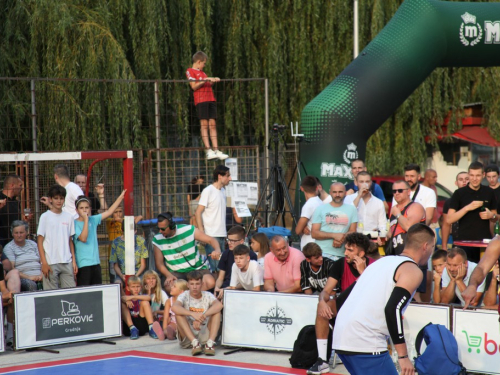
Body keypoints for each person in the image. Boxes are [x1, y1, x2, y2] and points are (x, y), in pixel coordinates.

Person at [332, 224, 436, 375]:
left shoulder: (379, 263)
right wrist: (403, 356)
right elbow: (393, 308)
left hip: (342, 339)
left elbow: (341, 300)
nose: (432, 252)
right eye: (433, 247)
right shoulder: (412, 270)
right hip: (365, 342)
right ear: (425, 246)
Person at [308, 232, 373, 374]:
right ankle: (322, 360)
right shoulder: (340, 264)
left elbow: (375, 295)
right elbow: (326, 291)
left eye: (350, 250)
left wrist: (364, 273)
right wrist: (321, 302)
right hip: (346, 310)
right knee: (323, 310)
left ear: (361, 253)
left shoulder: (374, 266)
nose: (345, 253)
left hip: (368, 313)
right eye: (345, 249)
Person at [152, 212, 218, 293]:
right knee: (169, 286)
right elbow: (159, 264)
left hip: (197, 269)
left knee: (210, 282)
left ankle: (193, 298)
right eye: (158, 228)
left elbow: (211, 240)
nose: (160, 231)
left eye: (163, 229)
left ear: (171, 226)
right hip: (176, 272)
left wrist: (217, 250)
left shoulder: (188, 230)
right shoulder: (157, 239)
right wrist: (168, 275)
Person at [447, 161, 497, 263]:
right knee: (465, 274)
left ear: (483, 175)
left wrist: (491, 215)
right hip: (464, 242)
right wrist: (467, 208)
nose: (474, 179)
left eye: (478, 175)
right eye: (472, 175)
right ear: (468, 175)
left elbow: (496, 218)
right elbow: (449, 219)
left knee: (483, 274)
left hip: (484, 242)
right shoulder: (459, 193)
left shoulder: (489, 192)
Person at [73, 190, 125, 286]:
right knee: (85, 291)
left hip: (96, 263)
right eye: (81, 208)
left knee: (97, 290)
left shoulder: (93, 219)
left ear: (90, 208)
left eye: (86, 208)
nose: (84, 210)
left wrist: (121, 197)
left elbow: (109, 212)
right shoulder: (74, 223)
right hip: (83, 265)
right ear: (76, 210)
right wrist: (85, 220)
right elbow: (83, 238)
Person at [388, 180, 427, 302]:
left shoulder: (415, 207)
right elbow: (392, 231)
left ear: (409, 191)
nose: (397, 193)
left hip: (414, 256)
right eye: (394, 191)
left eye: (400, 190)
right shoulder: (395, 210)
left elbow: (409, 227)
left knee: (414, 294)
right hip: (397, 254)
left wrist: (398, 214)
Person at [186, 51, 228, 161]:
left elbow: (206, 83)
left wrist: (212, 80)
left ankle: (216, 149)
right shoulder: (190, 71)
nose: (204, 65)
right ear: (198, 62)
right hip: (201, 100)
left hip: (210, 99)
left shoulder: (203, 73)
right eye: (204, 63)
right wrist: (205, 79)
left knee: (213, 124)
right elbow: (194, 86)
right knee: (204, 124)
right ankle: (208, 150)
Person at [172, 270, 223, 356]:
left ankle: (210, 344)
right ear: (188, 285)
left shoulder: (207, 295)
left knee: (217, 313)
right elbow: (174, 307)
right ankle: (195, 343)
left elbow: (219, 305)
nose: (194, 287)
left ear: (202, 284)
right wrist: (192, 314)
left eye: (197, 284)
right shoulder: (184, 295)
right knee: (178, 314)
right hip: (188, 334)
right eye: (192, 284)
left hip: (204, 331)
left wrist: (202, 316)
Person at [37, 185, 77, 290]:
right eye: (56, 198)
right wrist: (44, 262)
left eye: (61, 198)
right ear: (50, 199)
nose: (59, 201)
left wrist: (73, 261)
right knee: (51, 296)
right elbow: (40, 241)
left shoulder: (69, 217)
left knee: (70, 293)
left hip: (66, 261)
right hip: (50, 262)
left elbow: (70, 241)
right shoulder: (45, 217)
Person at [195, 165, 232, 272]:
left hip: (221, 234)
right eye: (228, 176)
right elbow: (198, 211)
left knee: (222, 268)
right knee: (216, 268)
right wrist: (202, 232)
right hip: (211, 235)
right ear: (220, 176)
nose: (230, 178)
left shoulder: (223, 191)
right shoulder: (208, 191)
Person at [311, 182, 357, 261]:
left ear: (345, 193)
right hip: (321, 254)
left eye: (340, 192)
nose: (337, 195)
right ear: (330, 193)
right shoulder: (320, 209)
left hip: (343, 254)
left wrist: (341, 238)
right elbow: (314, 233)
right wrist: (334, 235)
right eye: (334, 192)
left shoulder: (352, 209)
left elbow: (353, 231)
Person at [214, 225, 257, 300]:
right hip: (226, 286)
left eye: (233, 241)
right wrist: (216, 287)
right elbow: (220, 277)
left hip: (241, 288)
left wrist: (229, 289)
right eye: (228, 240)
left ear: (241, 241)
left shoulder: (251, 256)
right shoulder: (225, 254)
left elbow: (249, 282)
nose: (229, 243)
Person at [344, 171, 387, 245]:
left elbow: (382, 224)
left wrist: (381, 234)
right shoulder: (349, 199)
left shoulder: (378, 202)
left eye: (367, 181)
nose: (365, 184)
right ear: (356, 183)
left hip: (372, 240)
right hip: (354, 240)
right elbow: (348, 215)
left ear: (371, 183)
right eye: (361, 181)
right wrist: (359, 196)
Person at [3, 220, 42, 292]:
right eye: (16, 233)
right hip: (23, 278)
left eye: (21, 232)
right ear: (12, 233)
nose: (19, 235)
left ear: (26, 232)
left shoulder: (33, 244)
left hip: (40, 275)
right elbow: (12, 269)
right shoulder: (9, 247)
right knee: (31, 285)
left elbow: (41, 261)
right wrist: (29, 277)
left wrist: (42, 275)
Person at [121, 275, 162, 340]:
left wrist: (132, 297)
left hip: (142, 326)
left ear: (141, 287)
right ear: (128, 288)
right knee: (122, 304)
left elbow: (148, 297)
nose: (136, 289)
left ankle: (151, 328)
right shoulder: (126, 297)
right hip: (129, 328)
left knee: (145, 302)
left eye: (138, 286)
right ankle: (133, 329)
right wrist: (126, 300)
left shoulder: (142, 296)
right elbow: (122, 298)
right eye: (133, 287)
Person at [441, 171, 469, 248]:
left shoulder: (476, 200)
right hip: (457, 242)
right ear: (456, 183)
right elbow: (446, 224)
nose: (464, 181)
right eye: (461, 179)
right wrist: (444, 246)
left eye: (467, 179)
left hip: (474, 241)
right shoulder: (449, 202)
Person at [296, 176, 323, 249]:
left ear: (302, 188)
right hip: (318, 244)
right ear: (317, 188)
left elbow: (298, 230)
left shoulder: (309, 205)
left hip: (309, 247)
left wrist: (302, 228)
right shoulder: (321, 202)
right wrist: (304, 227)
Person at [0, 175, 25, 247]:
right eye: (20, 185)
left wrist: (25, 220)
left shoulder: (16, 202)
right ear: (12, 186)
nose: (21, 188)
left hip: (14, 240)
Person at [142, 270, 167, 340]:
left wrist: (157, 312)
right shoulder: (140, 292)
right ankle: (157, 330)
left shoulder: (161, 293)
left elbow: (169, 309)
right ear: (144, 281)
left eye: (153, 278)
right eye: (148, 279)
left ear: (157, 280)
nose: (151, 281)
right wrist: (148, 293)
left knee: (166, 318)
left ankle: (163, 332)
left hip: (156, 318)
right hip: (143, 319)